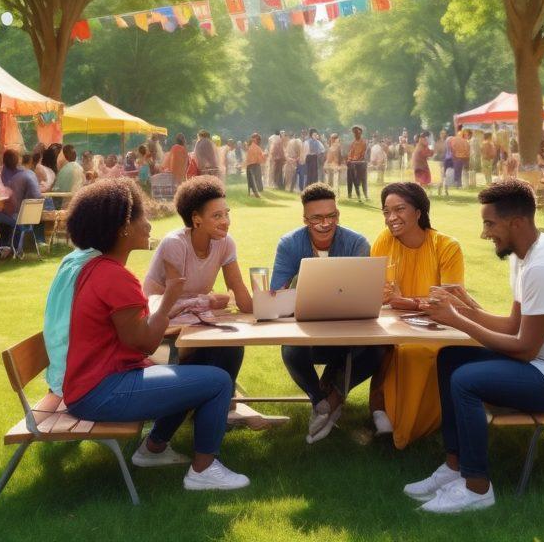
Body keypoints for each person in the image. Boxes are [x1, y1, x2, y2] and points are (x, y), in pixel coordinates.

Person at [407, 179, 544, 514]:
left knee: (465, 380)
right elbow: (515, 326)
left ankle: (477, 488)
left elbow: (525, 348)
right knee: (450, 358)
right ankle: (455, 467)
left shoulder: (543, 267)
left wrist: (457, 319)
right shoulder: (523, 255)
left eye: (489, 223)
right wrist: (468, 308)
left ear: (516, 223)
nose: (485, 233)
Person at [55, 178, 250, 491]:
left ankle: (153, 449)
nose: (148, 224)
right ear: (123, 229)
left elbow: (136, 340)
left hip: (96, 384)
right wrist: (170, 299)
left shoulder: (98, 268)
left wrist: (169, 304)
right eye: (141, 217)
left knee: (193, 373)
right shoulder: (115, 278)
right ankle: (203, 470)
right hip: (102, 392)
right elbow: (145, 343)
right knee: (217, 381)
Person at [271, 182, 384, 443]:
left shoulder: (357, 243)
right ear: (305, 219)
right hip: (307, 331)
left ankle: (334, 398)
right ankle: (320, 400)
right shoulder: (289, 244)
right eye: (317, 218)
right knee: (290, 349)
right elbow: (277, 292)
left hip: (348, 331)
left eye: (332, 216)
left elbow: (363, 294)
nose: (325, 223)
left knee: (379, 348)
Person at [369, 182, 464, 445]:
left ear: (419, 212)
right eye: (386, 211)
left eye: (400, 209)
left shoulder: (446, 246)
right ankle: (381, 409)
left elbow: (449, 301)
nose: (391, 218)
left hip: (439, 325)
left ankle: (409, 426)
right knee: (380, 346)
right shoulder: (384, 240)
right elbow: (377, 292)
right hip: (393, 322)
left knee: (414, 352)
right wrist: (393, 300)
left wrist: (404, 301)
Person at [144, 177, 253, 390]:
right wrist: (207, 301)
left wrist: (269, 306)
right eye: (217, 215)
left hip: (193, 324)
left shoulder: (225, 243)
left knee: (232, 345)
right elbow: (160, 307)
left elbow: (238, 290)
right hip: (161, 331)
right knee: (216, 347)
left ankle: (224, 405)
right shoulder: (175, 244)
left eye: (227, 213)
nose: (226, 221)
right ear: (196, 218)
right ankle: (214, 401)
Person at [0, 149, 42, 257]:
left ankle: (3, 243)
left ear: (4, 161)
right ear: (18, 161)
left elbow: (11, 205)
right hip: (34, 215)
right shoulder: (30, 173)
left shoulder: (14, 178)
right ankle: (6, 243)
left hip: (18, 217)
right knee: (0, 215)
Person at [346, 125, 369, 201]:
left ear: (360, 133)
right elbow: (350, 153)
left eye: (357, 133)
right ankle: (350, 195)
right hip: (353, 163)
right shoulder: (353, 143)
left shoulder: (363, 143)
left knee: (363, 181)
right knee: (350, 178)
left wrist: (355, 160)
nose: (355, 134)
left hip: (360, 164)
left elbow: (363, 154)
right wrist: (350, 159)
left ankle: (365, 195)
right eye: (354, 133)